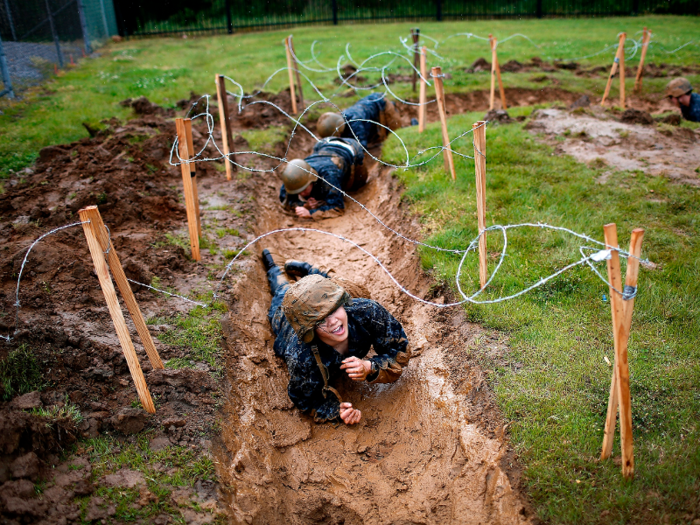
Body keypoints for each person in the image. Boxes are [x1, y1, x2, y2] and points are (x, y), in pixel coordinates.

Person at [261, 248, 410, 425]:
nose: (333, 322)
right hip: (288, 317)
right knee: (282, 290)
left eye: (333, 310)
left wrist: (370, 366)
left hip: (335, 293)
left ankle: (314, 272)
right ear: (309, 330)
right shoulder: (300, 355)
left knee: (353, 287)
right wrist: (336, 411)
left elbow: (400, 351)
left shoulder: (366, 311)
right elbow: (305, 400)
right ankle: (275, 266)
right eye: (320, 321)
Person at [278, 136, 367, 220]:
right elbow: (285, 201)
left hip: (350, 147)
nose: (302, 193)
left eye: (304, 189)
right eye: (298, 192)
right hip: (323, 144)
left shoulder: (329, 175)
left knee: (357, 185)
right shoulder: (293, 175)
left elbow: (337, 208)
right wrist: (304, 205)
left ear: (312, 179)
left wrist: (311, 213)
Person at [316, 93, 404, 148]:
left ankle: (411, 124)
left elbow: (361, 145)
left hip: (381, 104)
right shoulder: (339, 119)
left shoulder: (355, 123)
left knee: (396, 134)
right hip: (368, 112)